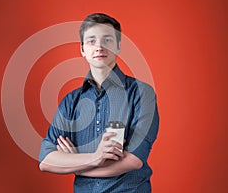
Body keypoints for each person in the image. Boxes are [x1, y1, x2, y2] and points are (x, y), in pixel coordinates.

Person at [39, 13, 159, 192]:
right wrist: (95, 158)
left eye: (107, 40)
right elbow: (46, 160)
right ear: (82, 49)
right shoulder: (71, 102)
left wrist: (76, 164)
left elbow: (133, 160)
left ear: (118, 46)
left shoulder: (142, 94)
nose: (99, 47)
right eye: (91, 41)